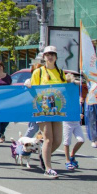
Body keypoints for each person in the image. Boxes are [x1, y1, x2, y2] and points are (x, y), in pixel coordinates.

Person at [31, 46, 66, 178]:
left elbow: (65, 89)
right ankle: (48, 168)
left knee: (57, 141)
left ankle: (44, 156)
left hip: (57, 110)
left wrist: (72, 82)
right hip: (43, 109)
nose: (50, 56)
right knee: (48, 139)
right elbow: (33, 90)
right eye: (47, 54)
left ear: (56, 57)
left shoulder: (61, 73)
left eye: (52, 54)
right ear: (44, 57)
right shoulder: (38, 72)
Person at [62, 73, 85, 171]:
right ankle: (67, 161)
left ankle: (72, 155)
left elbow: (81, 83)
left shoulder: (75, 90)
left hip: (76, 121)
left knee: (81, 140)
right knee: (67, 142)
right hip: (67, 121)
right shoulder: (64, 92)